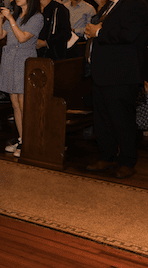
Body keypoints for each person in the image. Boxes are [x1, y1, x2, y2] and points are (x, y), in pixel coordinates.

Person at [83, 0, 148, 178]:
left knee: (122, 120)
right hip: (102, 72)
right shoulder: (109, 6)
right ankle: (107, 156)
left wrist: (98, 32)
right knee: (102, 118)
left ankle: (127, 161)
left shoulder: (136, 4)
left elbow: (129, 34)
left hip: (122, 73)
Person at [0, 0, 43, 157]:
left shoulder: (36, 17)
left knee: (24, 104)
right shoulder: (16, 15)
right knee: (15, 104)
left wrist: (11, 19)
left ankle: (30, 140)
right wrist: (0, 20)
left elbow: (22, 38)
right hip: (9, 61)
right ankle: (22, 138)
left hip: (24, 61)